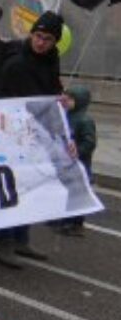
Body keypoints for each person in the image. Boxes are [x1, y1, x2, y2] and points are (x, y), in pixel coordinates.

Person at [0, 11, 65, 268]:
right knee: (10, 189)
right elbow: (1, 100)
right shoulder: (16, 63)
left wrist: (60, 99)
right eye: (37, 35)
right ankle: (4, 243)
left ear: (55, 42)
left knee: (30, 188)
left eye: (47, 38)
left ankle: (22, 239)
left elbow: (50, 94)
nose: (40, 42)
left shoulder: (51, 62)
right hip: (13, 137)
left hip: (37, 138)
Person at [59, 85, 96, 236]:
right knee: (68, 190)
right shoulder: (65, 115)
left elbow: (90, 142)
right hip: (66, 162)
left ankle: (77, 224)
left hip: (80, 162)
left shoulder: (85, 120)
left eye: (70, 98)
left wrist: (78, 151)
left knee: (78, 192)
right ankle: (66, 220)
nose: (65, 101)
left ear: (79, 101)